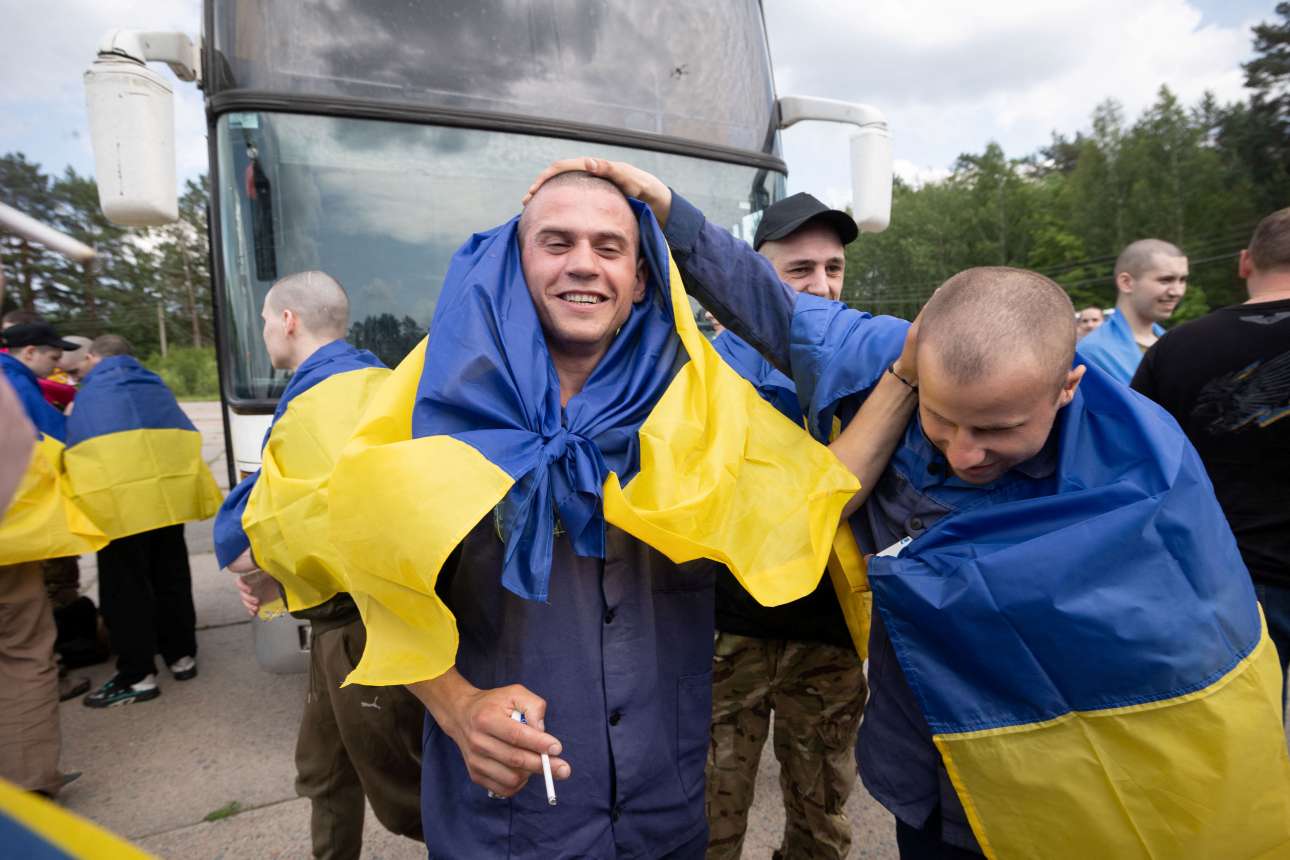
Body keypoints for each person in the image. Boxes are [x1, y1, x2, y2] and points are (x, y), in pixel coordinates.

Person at [527, 158, 1290, 859]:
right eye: (939, 417)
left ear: (1067, 388)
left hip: (1067, 777)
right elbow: (777, 308)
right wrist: (668, 210)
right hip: (927, 774)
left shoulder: (1144, 466)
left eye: (997, 430)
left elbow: (1191, 649)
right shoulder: (893, 357)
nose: (962, 452)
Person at [316, 171, 903, 859]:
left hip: (666, 809)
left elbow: (816, 492)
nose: (584, 264)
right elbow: (365, 573)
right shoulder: (432, 404)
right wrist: (454, 705)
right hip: (512, 823)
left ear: (643, 277)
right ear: (516, 259)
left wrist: (908, 375)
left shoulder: (698, 405)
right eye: (556, 242)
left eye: (609, 246)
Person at [213, 271, 424, 860]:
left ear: (288, 321)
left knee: (409, 798)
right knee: (324, 771)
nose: (262, 334)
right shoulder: (382, 383)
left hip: (358, 628)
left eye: (262, 321)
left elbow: (244, 539)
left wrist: (260, 567)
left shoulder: (315, 402)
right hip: (353, 616)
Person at [704, 193, 873, 860]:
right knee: (705, 821)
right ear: (754, 273)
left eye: (833, 268)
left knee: (822, 822)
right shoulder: (706, 372)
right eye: (799, 269)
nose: (823, 285)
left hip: (828, 639)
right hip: (724, 631)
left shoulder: (868, 367)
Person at [1132, 208, 1290, 709]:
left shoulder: (1175, 349)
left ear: (1245, 261)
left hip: (1225, 580)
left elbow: (1136, 467)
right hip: (1228, 580)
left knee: (1244, 740)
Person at [65, 335, 222, 708]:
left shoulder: (92, 390)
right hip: (166, 504)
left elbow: (73, 446)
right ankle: (182, 657)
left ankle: (138, 676)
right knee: (172, 576)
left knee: (125, 590)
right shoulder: (155, 385)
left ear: (92, 357)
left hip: (118, 507)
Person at [0, 321, 87, 798]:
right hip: (10, 547)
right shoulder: (15, 387)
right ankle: (31, 783)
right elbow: (58, 444)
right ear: (28, 351)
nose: (58, 366)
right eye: (53, 357)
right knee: (26, 652)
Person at [1077, 239, 1188, 382]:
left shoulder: (1173, 344)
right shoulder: (1093, 353)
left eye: (1182, 280)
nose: (1177, 291)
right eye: (1165, 280)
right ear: (1126, 283)